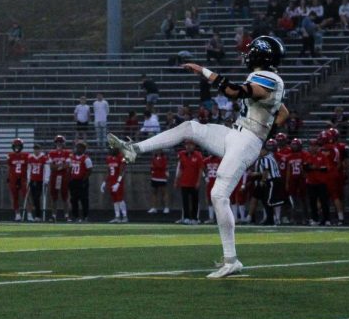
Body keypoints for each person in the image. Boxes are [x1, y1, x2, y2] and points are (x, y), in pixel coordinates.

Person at [109, 36, 289, 278]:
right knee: (190, 128)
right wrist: (266, 133)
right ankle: (135, 149)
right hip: (237, 134)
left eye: (251, 51)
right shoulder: (270, 81)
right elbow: (283, 113)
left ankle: (231, 259)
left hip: (246, 139)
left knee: (218, 194)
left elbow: (234, 92)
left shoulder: (270, 78)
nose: (246, 55)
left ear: (260, 55)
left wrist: (204, 71)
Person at [175, 140, 205, 224]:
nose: (188, 146)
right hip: (184, 182)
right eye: (187, 145)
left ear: (194, 146)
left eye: (190, 145)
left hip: (194, 182)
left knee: (194, 201)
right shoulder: (182, 155)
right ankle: (186, 217)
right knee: (185, 201)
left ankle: (195, 218)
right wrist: (177, 180)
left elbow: (200, 169)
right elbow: (181, 168)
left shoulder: (198, 155)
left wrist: (198, 181)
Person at [45, 134, 72, 222]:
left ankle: (67, 215)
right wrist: (61, 166)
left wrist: (58, 167)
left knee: (65, 196)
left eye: (61, 142)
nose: (59, 143)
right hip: (55, 176)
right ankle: (53, 215)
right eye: (58, 142)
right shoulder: (51, 153)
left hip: (64, 176)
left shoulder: (68, 152)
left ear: (63, 143)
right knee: (54, 197)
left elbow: (67, 165)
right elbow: (51, 166)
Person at [67, 141, 94, 222]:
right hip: (73, 181)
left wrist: (83, 179)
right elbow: (70, 168)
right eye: (77, 147)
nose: (77, 149)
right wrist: (69, 179)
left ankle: (85, 216)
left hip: (82, 181)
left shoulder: (86, 158)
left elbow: (89, 170)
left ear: (83, 149)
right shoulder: (72, 158)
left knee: (84, 199)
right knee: (73, 199)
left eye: (79, 147)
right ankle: (76, 216)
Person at [7, 138, 30, 221]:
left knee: (26, 196)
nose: (17, 147)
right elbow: (8, 167)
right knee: (15, 197)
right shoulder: (10, 156)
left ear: (21, 146)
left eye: (18, 145)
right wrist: (8, 178)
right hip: (13, 178)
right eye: (15, 145)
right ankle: (17, 214)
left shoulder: (26, 155)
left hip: (23, 178)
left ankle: (29, 214)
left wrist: (28, 178)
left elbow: (29, 167)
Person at [103, 145, 128, 222]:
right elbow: (108, 171)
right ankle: (117, 217)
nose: (111, 150)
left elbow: (122, 171)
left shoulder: (121, 158)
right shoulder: (108, 158)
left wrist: (118, 182)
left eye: (112, 149)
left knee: (120, 199)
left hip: (118, 182)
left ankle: (124, 216)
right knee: (114, 200)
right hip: (111, 181)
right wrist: (104, 182)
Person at [26, 142, 48, 222]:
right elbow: (29, 169)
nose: (36, 151)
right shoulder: (31, 158)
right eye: (35, 149)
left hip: (40, 180)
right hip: (32, 179)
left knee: (37, 197)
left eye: (37, 149)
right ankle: (35, 215)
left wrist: (46, 179)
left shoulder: (44, 158)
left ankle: (38, 215)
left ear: (40, 150)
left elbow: (47, 169)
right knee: (33, 197)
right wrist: (28, 179)